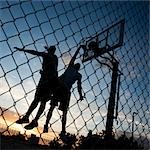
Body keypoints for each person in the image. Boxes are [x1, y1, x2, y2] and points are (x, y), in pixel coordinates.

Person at [14, 45, 58, 129]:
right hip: (50, 81)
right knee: (41, 101)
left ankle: (28, 118)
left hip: (46, 81)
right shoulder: (54, 58)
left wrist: (23, 50)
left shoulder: (47, 55)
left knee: (38, 100)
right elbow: (53, 69)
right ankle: (33, 119)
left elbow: (35, 52)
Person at [43, 46, 84, 135]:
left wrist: (80, 95)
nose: (78, 64)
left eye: (78, 65)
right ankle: (47, 125)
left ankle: (62, 130)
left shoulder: (78, 74)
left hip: (64, 91)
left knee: (62, 112)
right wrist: (79, 48)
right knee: (54, 108)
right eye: (77, 64)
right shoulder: (71, 68)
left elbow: (79, 86)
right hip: (61, 88)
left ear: (78, 68)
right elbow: (74, 56)